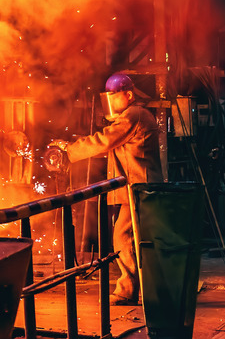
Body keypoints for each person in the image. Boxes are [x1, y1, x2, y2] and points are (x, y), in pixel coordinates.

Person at [51, 73, 163, 306]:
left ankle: (127, 290)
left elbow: (104, 141)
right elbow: (108, 143)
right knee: (136, 239)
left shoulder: (134, 115)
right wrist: (75, 144)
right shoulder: (131, 117)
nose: (110, 103)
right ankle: (150, 289)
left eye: (114, 97)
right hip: (138, 186)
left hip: (140, 187)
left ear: (129, 95)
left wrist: (70, 150)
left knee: (123, 236)